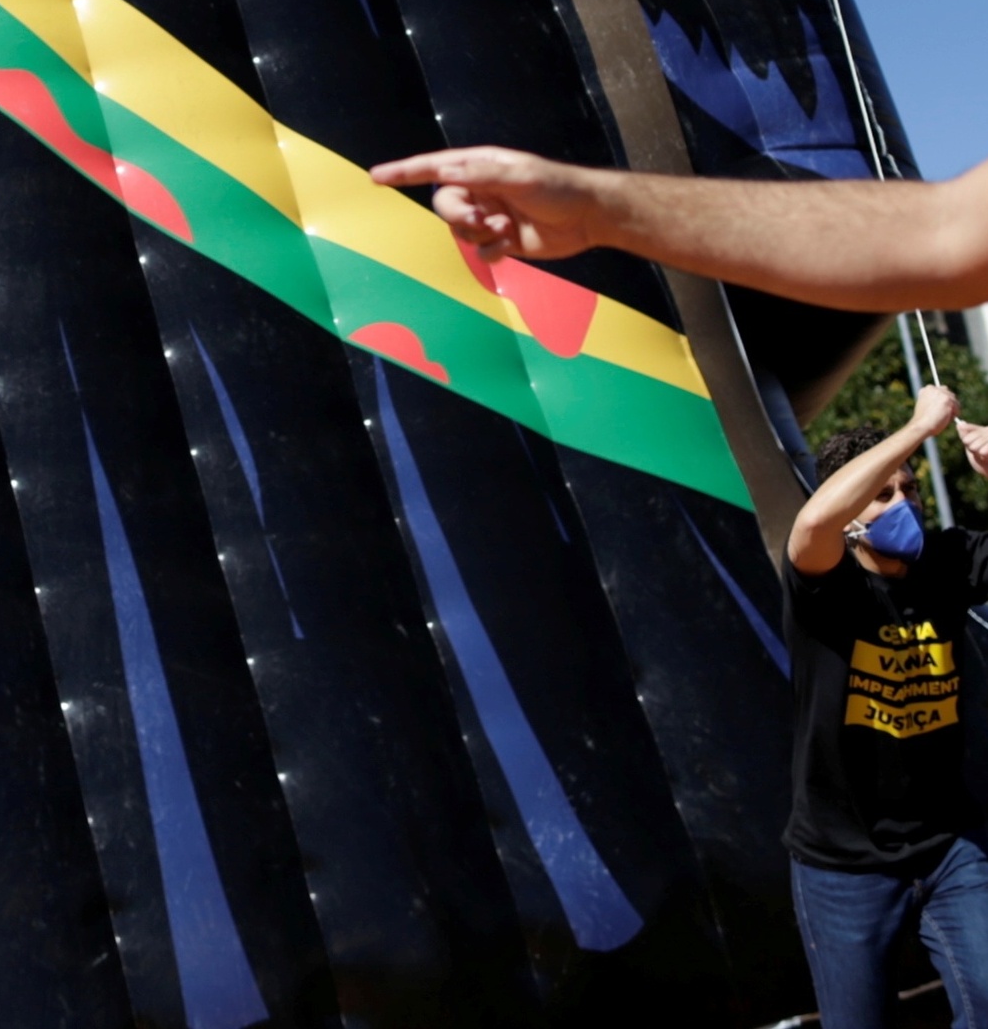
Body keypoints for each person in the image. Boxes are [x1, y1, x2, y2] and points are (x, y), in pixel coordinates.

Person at [369, 143, 988, 1026]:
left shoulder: (947, 561)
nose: (900, 508)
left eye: (904, 494)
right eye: (881, 497)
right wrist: (914, 431)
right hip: (846, 863)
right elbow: (815, 523)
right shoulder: (826, 580)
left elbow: (946, 235)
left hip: (952, 846)